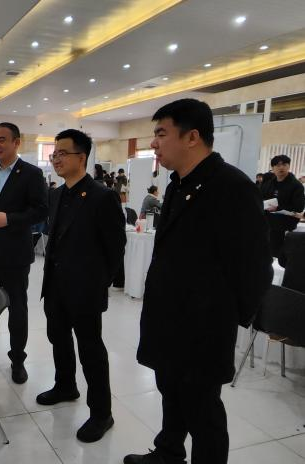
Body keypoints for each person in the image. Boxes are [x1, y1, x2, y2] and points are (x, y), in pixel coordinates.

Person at [123, 99, 272, 464]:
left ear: (192, 137)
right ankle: (168, 452)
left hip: (204, 327)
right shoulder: (177, 184)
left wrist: (226, 318)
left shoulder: (231, 187)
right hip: (169, 317)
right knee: (171, 392)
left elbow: (254, 266)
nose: (153, 143)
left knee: (203, 411)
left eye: (161, 134)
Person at [38, 129, 125, 442]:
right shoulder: (56, 194)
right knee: (58, 338)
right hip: (55, 286)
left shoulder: (102, 196)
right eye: (54, 154)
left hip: (85, 290)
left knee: (91, 350)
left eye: (63, 153)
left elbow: (116, 248)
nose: (56, 159)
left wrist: (97, 284)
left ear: (82, 157)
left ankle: (102, 413)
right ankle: (65, 385)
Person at [0, 122, 48, 384]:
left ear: (16, 142)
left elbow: (41, 210)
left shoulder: (31, 174)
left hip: (15, 255)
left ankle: (17, 360)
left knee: (17, 309)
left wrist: (10, 219)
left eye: (2, 140)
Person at [260, 155, 305, 257]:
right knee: (264, 251)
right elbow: (260, 197)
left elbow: (299, 208)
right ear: (272, 168)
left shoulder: (296, 186)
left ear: (289, 166)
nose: (281, 167)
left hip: (285, 224)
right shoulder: (268, 184)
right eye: (277, 165)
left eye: (284, 164)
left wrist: (278, 208)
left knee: (278, 253)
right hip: (267, 222)